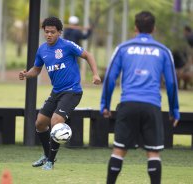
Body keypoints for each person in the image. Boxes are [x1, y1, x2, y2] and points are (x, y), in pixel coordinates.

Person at [100, 11, 179, 184]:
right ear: (154, 28)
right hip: (152, 106)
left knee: (119, 150)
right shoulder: (163, 51)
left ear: (135, 28)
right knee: (153, 153)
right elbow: (172, 83)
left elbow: (110, 79)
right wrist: (174, 110)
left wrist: (104, 105)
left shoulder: (123, 48)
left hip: (128, 104)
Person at [19, 17, 101, 170]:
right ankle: (46, 155)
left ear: (59, 33)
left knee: (56, 121)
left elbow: (88, 55)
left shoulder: (67, 45)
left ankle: (50, 161)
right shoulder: (42, 49)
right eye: (46, 32)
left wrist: (95, 74)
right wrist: (26, 74)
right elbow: (36, 70)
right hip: (56, 92)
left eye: (52, 32)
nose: (49, 35)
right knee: (40, 123)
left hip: (72, 91)